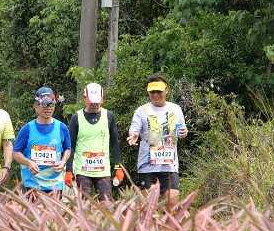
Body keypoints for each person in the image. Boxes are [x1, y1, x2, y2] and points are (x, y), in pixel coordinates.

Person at [126, 74, 188, 208]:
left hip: (169, 165)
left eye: (158, 91)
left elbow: (181, 130)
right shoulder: (141, 111)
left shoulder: (175, 109)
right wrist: (133, 136)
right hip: (147, 166)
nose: (155, 95)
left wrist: (183, 133)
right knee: (146, 207)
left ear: (166, 90)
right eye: (152, 92)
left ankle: (170, 229)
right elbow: (134, 129)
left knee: (172, 204)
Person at [67, 83, 124, 201]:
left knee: (107, 205)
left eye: (97, 102)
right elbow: (70, 146)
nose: (94, 105)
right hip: (82, 170)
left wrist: (118, 167)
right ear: (84, 98)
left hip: (103, 171)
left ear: (102, 99)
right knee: (84, 204)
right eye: (91, 102)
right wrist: (68, 170)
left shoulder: (109, 116)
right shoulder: (76, 118)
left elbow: (115, 144)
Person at [13, 87, 72, 195]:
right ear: (35, 106)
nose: (48, 108)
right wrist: (28, 162)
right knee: (33, 212)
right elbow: (16, 153)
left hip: (55, 184)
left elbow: (68, 149)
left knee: (54, 212)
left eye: (51, 104)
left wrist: (63, 161)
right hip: (32, 184)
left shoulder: (62, 127)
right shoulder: (27, 129)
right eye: (44, 104)